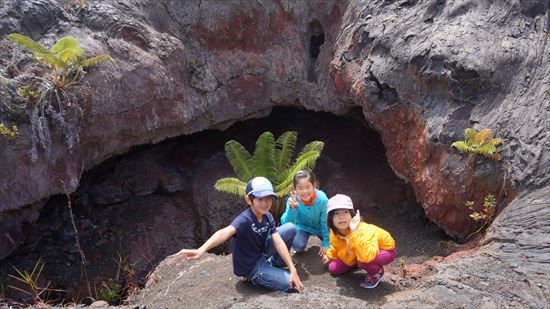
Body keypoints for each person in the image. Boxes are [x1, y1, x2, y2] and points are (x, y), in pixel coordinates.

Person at [178, 176, 304, 293]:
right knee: (291, 284)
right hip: (252, 267)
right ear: (248, 199)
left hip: (262, 253)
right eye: (260, 199)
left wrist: (292, 268)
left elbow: (278, 241)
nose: (265, 203)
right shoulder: (245, 219)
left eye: (268, 199)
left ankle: (276, 263)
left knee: (290, 228)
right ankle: (252, 276)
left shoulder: (268, 216)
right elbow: (225, 232)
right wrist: (201, 250)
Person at [322, 194, 396, 289]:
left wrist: (355, 232)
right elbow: (335, 245)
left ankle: (376, 273)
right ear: (330, 218)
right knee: (333, 269)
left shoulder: (362, 230)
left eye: (345, 212)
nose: (341, 217)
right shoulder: (335, 231)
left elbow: (367, 256)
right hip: (357, 252)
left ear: (352, 215)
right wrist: (330, 255)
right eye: (336, 213)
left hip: (383, 250)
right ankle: (356, 262)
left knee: (363, 261)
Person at [280, 170, 330, 257]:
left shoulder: (322, 199)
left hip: (319, 228)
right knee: (298, 246)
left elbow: (325, 221)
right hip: (302, 227)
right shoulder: (292, 200)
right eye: (300, 188)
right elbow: (286, 224)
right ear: (295, 189)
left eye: (308, 187)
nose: (304, 191)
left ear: (314, 186)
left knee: (334, 245)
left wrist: (326, 241)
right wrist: (293, 209)